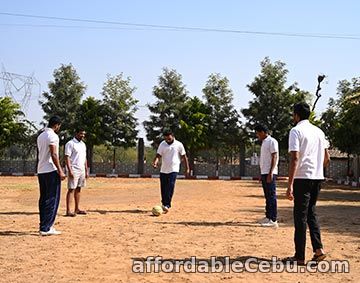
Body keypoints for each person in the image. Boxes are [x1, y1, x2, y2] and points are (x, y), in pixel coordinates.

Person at [284, 102, 330, 265]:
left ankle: (299, 256)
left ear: (296, 115)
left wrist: (289, 184)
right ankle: (318, 250)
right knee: (311, 213)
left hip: (302, 178)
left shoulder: (296, 131)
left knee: (300, 217)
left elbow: (295, 158)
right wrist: (316, 168)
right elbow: (327, 158)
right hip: (317, 178)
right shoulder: (319, 132)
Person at [37, 115, 66, 236]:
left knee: (43, 198)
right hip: (51, 170)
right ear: (57, 125)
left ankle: (43, 225)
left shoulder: (41, 135)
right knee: (52, 199)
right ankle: (47, 227)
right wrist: (60, 170)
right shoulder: (53, 136)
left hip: (41, 170)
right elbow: (54, 154)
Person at [152, 129, 190, 214]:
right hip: (164, 169)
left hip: (174, 169)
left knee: (170, 186)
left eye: (169, 138)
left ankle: (167, 204)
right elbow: (158, 155)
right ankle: (164, 203)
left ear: (172, 136)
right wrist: (155, 162)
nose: (167, 140)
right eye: (166, 139)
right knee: (163, 187)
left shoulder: (179, 144)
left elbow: (184, 157)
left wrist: (187, 168)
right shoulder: (162, 144)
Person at [254, 124, 279, 228]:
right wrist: (262, 173)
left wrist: (270, 172)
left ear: (263, 132)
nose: (257, 135)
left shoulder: (272, 141)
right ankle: (268, 216)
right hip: (264, 172)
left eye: (258, 133)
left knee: (271, 196)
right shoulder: (264, 143)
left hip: (270, 173)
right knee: (267, 196)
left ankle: (273, 219)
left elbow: (274, 156)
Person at [64, 128, 89, 217]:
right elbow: (67, 157)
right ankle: (68, 210)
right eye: (81, 133)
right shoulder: (70, 144)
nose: (82, 135)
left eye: (84, 134)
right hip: (73, 169)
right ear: (76, 133)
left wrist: (86, 170)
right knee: (71, 189)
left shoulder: (83, 144)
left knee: (79, 188)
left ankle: (77, 208)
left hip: (81, 169)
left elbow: (85, 158)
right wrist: (69, 170)